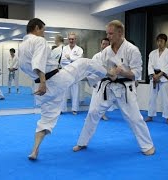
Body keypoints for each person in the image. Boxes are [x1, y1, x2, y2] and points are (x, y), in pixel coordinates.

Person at [18, 18, 115, 160]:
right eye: (43, 30)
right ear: (37, 28)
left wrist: (42, 83)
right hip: (54, 80)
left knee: (46, 119)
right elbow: (37, 63)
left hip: (41, 88)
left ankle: (34, 150)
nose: (43, 34)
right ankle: (110, 74)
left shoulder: (22, 46)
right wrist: (44, 82)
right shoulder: (38, 40)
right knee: (84, 63)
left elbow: (26, 66)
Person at [72, 20, 155, 156]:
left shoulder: (132, 50)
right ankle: (82, 142)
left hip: (125, 87)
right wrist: (107, 72)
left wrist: (122, 72)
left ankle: (147, 145)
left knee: (134, 118)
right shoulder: (106, 51)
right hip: (106, 86)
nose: (108, 36)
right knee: (92, 113)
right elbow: (100, 68)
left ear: (120, 32)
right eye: (107, 34)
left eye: (111, 34)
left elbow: (136, 74)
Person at [145, 34, 168, 125]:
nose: (159, 43)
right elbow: (150, 65)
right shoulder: (152, 53)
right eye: (158, 41)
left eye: (161, 41)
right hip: (154, 77)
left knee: (166, 98)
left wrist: (160, 75)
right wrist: (154, 75)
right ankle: (150, 115)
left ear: (165, 41)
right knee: (152, 97)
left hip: (164, 77)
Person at [61, 32, 84, 115]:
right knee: (63, 91)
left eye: (73, 39)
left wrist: (70, 58)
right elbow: (62, 60)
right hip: (65, 72)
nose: (71, 40)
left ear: (75, 39)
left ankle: (75, 109)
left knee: (75, 91)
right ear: (68, 39)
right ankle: (62, 109)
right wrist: (73, 60)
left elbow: (79, 60)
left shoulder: (79, 49)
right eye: (70, 39)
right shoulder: (64, 49)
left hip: (75, 73)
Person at [90, 37, 111, 120]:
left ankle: (102, 114)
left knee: (105, 99)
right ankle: (91, 114)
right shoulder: (96, 56)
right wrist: (93, 81)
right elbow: (91, 68)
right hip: (98, 80)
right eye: (103, 44)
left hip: (107, 81)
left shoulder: (112, 57)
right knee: (95, 99)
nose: (105, 46)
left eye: (107, 44)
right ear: (101, 45)